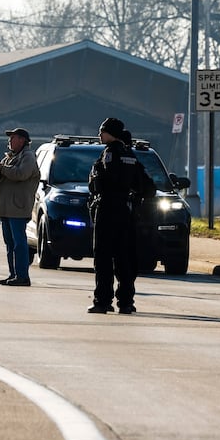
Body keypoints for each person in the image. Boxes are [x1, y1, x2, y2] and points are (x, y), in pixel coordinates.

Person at [88, 117, 153, 314]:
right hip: (126, 211)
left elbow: (103, 180)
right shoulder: (130, 155)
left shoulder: (109, 153)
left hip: (107, 209)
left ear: (111, 133)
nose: (100, 135)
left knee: (103, 257)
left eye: (102, 131)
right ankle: (126, 302)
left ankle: (102, 301)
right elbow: (148, 186)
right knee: (124, 257)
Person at [0, 126, 39, 286]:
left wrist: (1, 168)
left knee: (19, 243)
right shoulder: (10, 157)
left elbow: (21, 174)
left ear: (22, 140)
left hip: (18, 207)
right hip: (6, 207)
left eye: (13, 138)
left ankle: (23, 276)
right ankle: (13, 274)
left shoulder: (28, 156)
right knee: (10, 243)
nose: (9, 141)